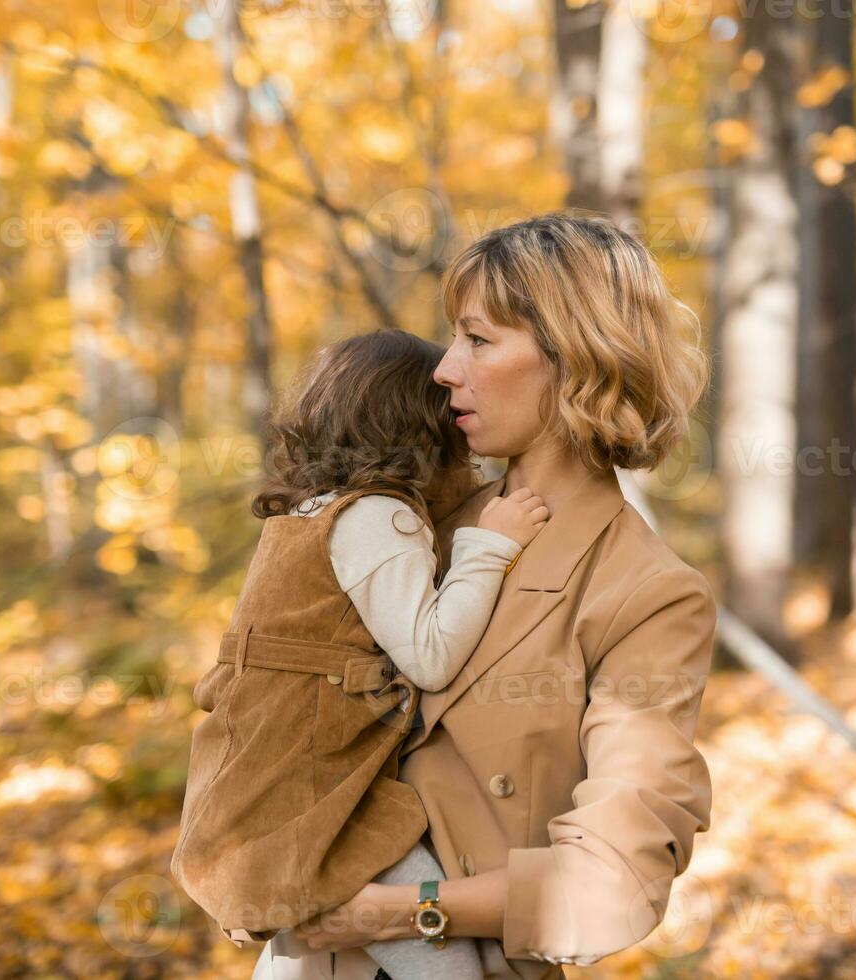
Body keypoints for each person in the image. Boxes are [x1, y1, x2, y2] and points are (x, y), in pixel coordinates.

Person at [256, 212, 719, 978]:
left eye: (477, 339)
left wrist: (402, 912)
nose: (443, 368)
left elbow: (615, 879)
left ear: (575, 358)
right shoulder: (411, 523)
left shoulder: (648, 593)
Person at [172, 329, 550, 980]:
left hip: (267, 788)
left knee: (305, 948)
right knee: (448, 965)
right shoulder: (379, 515)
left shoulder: (305, 514)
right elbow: (429, 654)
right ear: (423, 428)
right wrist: (491, 546)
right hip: (332, 801)